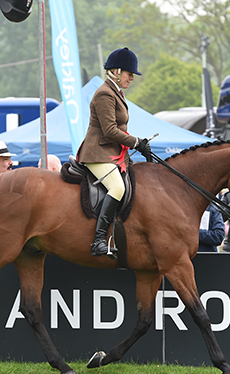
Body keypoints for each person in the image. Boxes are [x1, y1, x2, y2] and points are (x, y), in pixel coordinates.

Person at [76, 47, 152, 258]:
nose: (132, 79)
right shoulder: (104, 94)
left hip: (113, 154)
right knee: (117, 188)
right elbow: (110, 131)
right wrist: (137, 142)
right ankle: (99, 239)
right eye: (130, 74)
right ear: (117, 71)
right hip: (98, 153)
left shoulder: (116, 93)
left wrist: (138, 145)